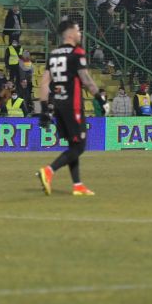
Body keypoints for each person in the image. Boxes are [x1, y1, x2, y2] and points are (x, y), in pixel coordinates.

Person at [36, 20, 107, 197]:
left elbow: (44, 83)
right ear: (69, 33)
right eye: (77, 30)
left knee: (72, 145)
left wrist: (45, 109)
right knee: (80, 147)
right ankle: (49, 171)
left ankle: (77, 184)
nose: (80, 33)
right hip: (73, 105)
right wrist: (100, 99)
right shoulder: (77, 52)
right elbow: (86, 79)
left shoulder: (53, 55)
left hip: (58, 105)